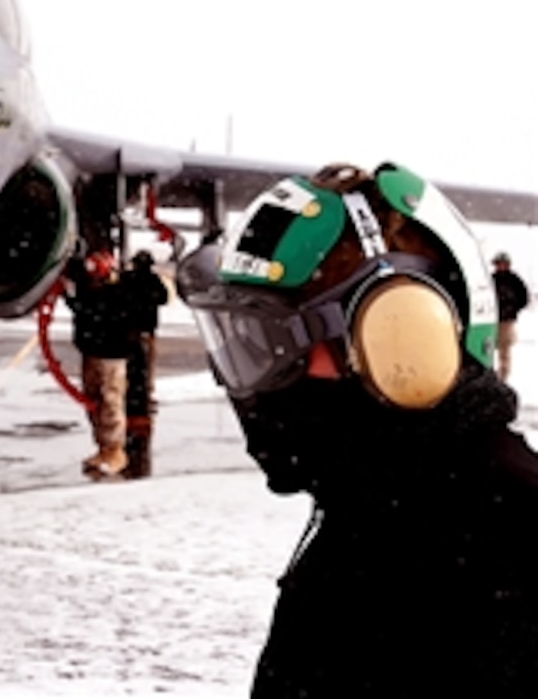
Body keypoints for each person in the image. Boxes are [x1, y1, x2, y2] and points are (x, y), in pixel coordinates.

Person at [177, 162, 538, 697]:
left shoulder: (508, 547)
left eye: (273, 344)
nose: (254, 384)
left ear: (400, 338)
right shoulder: (379, 500)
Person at [64, 248, 133, 477]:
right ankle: (103, 447)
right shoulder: (92, 293)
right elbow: (81, 307)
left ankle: (115, 451)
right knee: (94, 401)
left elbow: (95, 311)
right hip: (93, 351)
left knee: (110, 401)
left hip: (111, 354)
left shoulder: (117, 295)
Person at [121, 249, 171, 461]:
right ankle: (144, 396)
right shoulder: (153, 281)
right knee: (146, 367)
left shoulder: (127, 280)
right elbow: (164, 299)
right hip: (146, 330)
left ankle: (130, 395)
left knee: (128, 366)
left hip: (126, 331)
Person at [491, 251, 530, 381]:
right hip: (490, 319)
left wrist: (513, 309)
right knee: (487, 347)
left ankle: (503, 376)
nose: (500, 266)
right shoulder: (491, 279)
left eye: (503, 264)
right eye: (498, 264)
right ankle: (489, 375)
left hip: (506, 321)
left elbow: (524, 298)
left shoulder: (514, 280)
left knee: (504, 349)